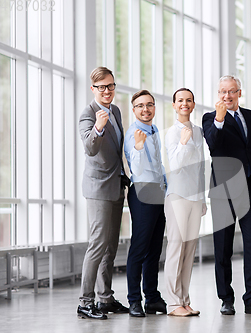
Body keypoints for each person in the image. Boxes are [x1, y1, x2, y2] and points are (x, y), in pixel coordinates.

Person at [202, 75, 251, 315]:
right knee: (223, 248)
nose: (226, 96)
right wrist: (219, 119)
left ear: (239, 93)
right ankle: (226, 299)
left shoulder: (250, 116)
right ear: (218, 94)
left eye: (231, 91)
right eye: (222, 92)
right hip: (223, 191)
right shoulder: (210, 118)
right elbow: (213, 144)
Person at [77, 67, 129, 319]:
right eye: (101, 87)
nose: (107, 91)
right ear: (93, 89)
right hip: (98, 187)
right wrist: (98, 127)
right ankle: (85, 302)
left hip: (116, 184)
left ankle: (104, 299)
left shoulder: (116, 111)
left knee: (110, 246)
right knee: (97, 245)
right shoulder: (87, 114)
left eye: (110, 86)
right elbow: (89, 147)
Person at [124, 90, 167, 317]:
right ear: (134, 110)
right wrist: (139, 147)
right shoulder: (135, 133)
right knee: (139, 249)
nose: (146, 109)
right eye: (140, 106)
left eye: (149, 105)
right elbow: (138, 169)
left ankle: (152, 298)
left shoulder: (154, 130)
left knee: (154, 249)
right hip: (142, 192)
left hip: (157, 192)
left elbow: (158, 164)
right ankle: (134, 300)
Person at [164, 88, 206, 316]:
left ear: (193, 104)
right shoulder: (172, 132)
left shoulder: (198, 131)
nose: (184, 104)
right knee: (176, 249)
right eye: (180, 100)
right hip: (177, 197)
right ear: (174, 105)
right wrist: (182, 143)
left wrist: (202, 198)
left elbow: (200, 167)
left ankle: (184, 299)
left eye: (188, 100)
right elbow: (176, 166)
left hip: (194, 197)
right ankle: (172, 303)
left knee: (189, 251)